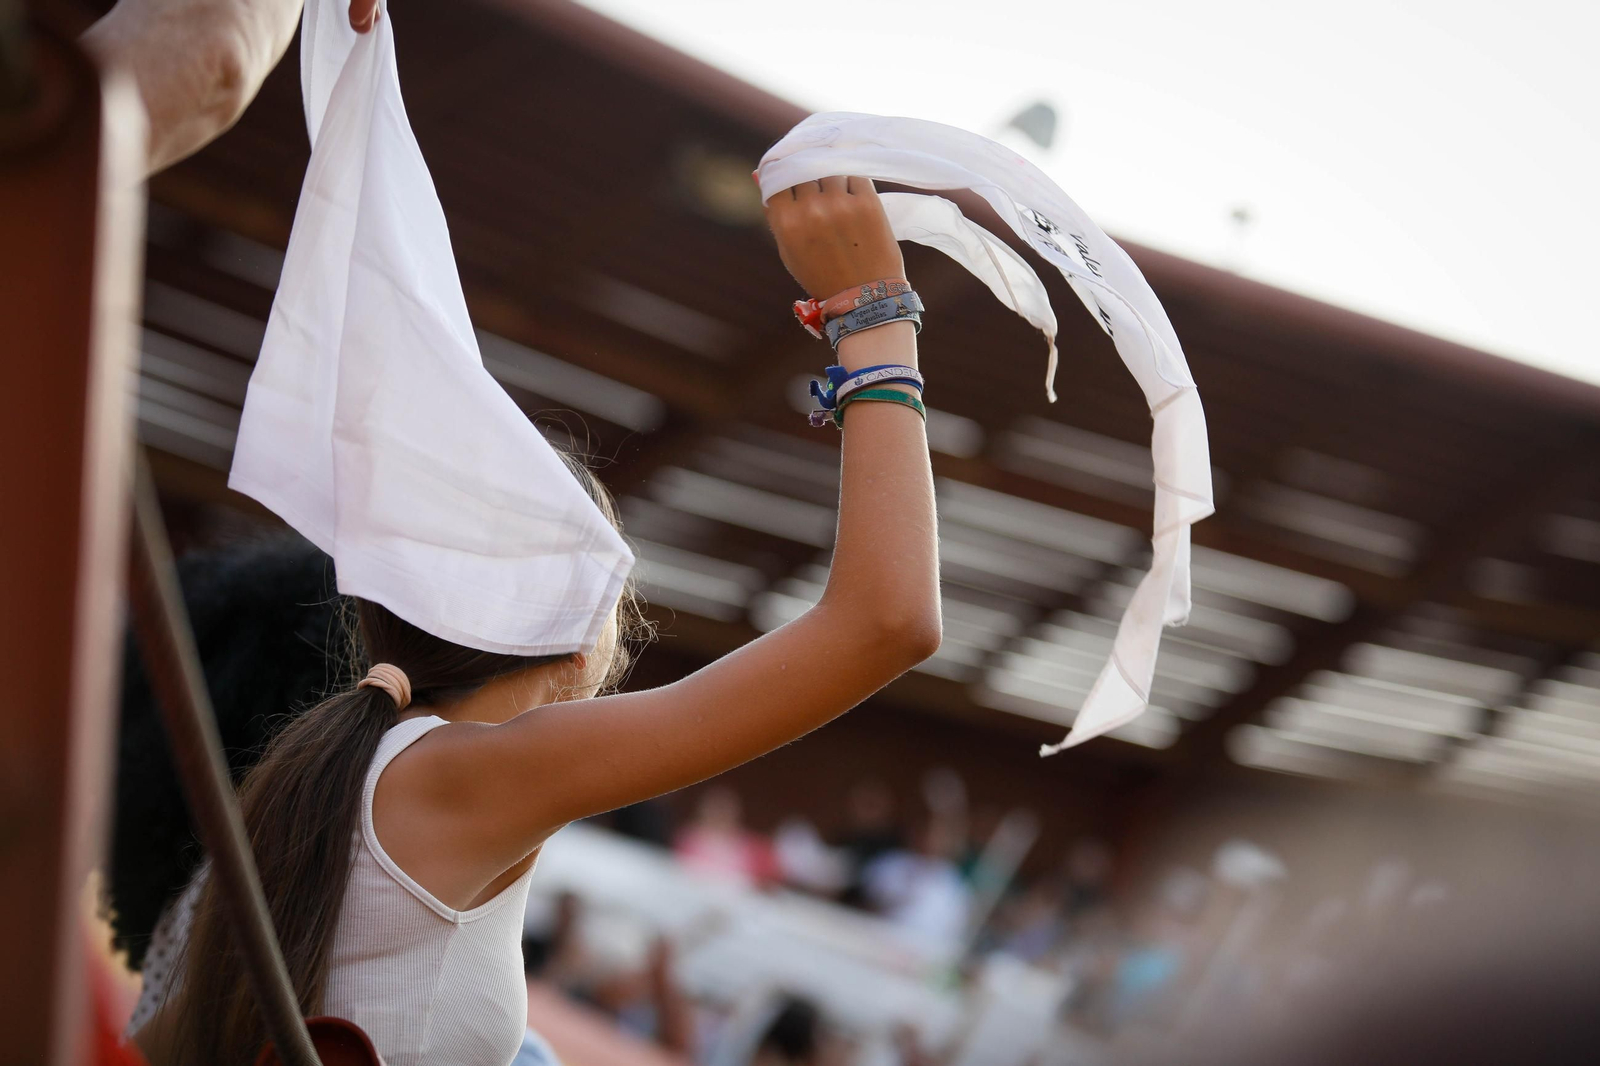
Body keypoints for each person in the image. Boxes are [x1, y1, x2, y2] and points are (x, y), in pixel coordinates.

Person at [134, 135, 939, 1066]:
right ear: (583, 648)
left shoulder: (324, 777)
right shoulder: (480, 772)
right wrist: (873, 312)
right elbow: (890, 621)